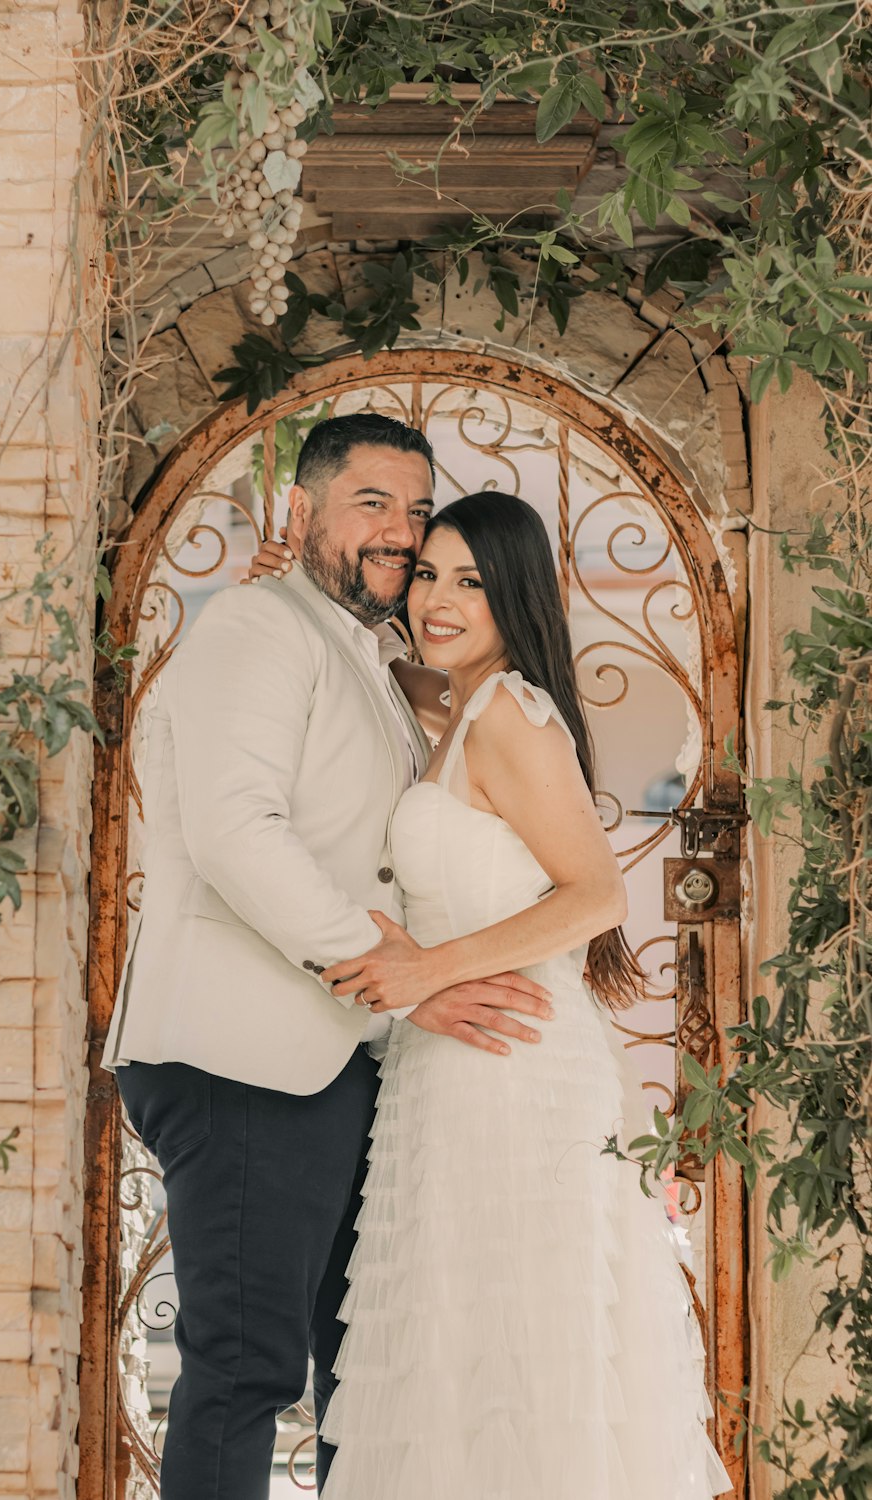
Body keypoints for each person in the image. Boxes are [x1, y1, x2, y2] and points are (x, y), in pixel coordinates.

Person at [101, 414, 557, 1500]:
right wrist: (396, 972)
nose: (400, 530)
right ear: (300, 512)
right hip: (244, 1056)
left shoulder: (366, 650)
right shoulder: (258, 628)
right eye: (371, 503)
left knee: (366, 1374)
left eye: (414, 507)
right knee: (246, 1366)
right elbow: (233, 833)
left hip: (336, 1053)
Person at [252, 491, 733, 1498]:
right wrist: (291, 595)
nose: (438, 600)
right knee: (453, 1360)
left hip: (512, 1073)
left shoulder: (512, 711)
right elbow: (365, 667)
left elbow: (595, 893)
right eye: (427, 573)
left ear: (515, 596)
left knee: (516, 1356)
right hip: (444, 1072)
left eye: (470, 582)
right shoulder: (452, 707)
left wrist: (429, 969)